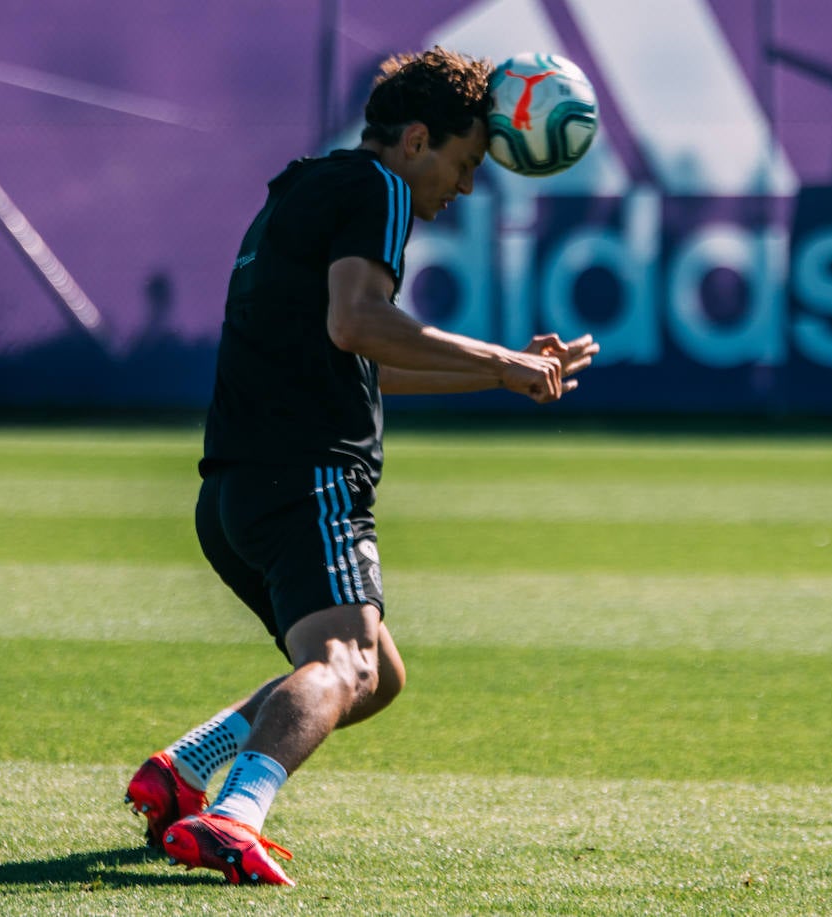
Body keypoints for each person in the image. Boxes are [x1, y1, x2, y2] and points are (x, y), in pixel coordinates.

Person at [124, 47, 598, 887]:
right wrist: (497, 361)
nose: (466, 187)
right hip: (307, 477)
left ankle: (183, 769)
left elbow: (363, 356)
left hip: (237, 489)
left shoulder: (309, 186)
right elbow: (358, 323)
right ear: (416, 139)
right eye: (463, 162)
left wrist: (503, 368)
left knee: (375, 675)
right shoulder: (379, 190)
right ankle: (234, 815)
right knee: (350, 664)